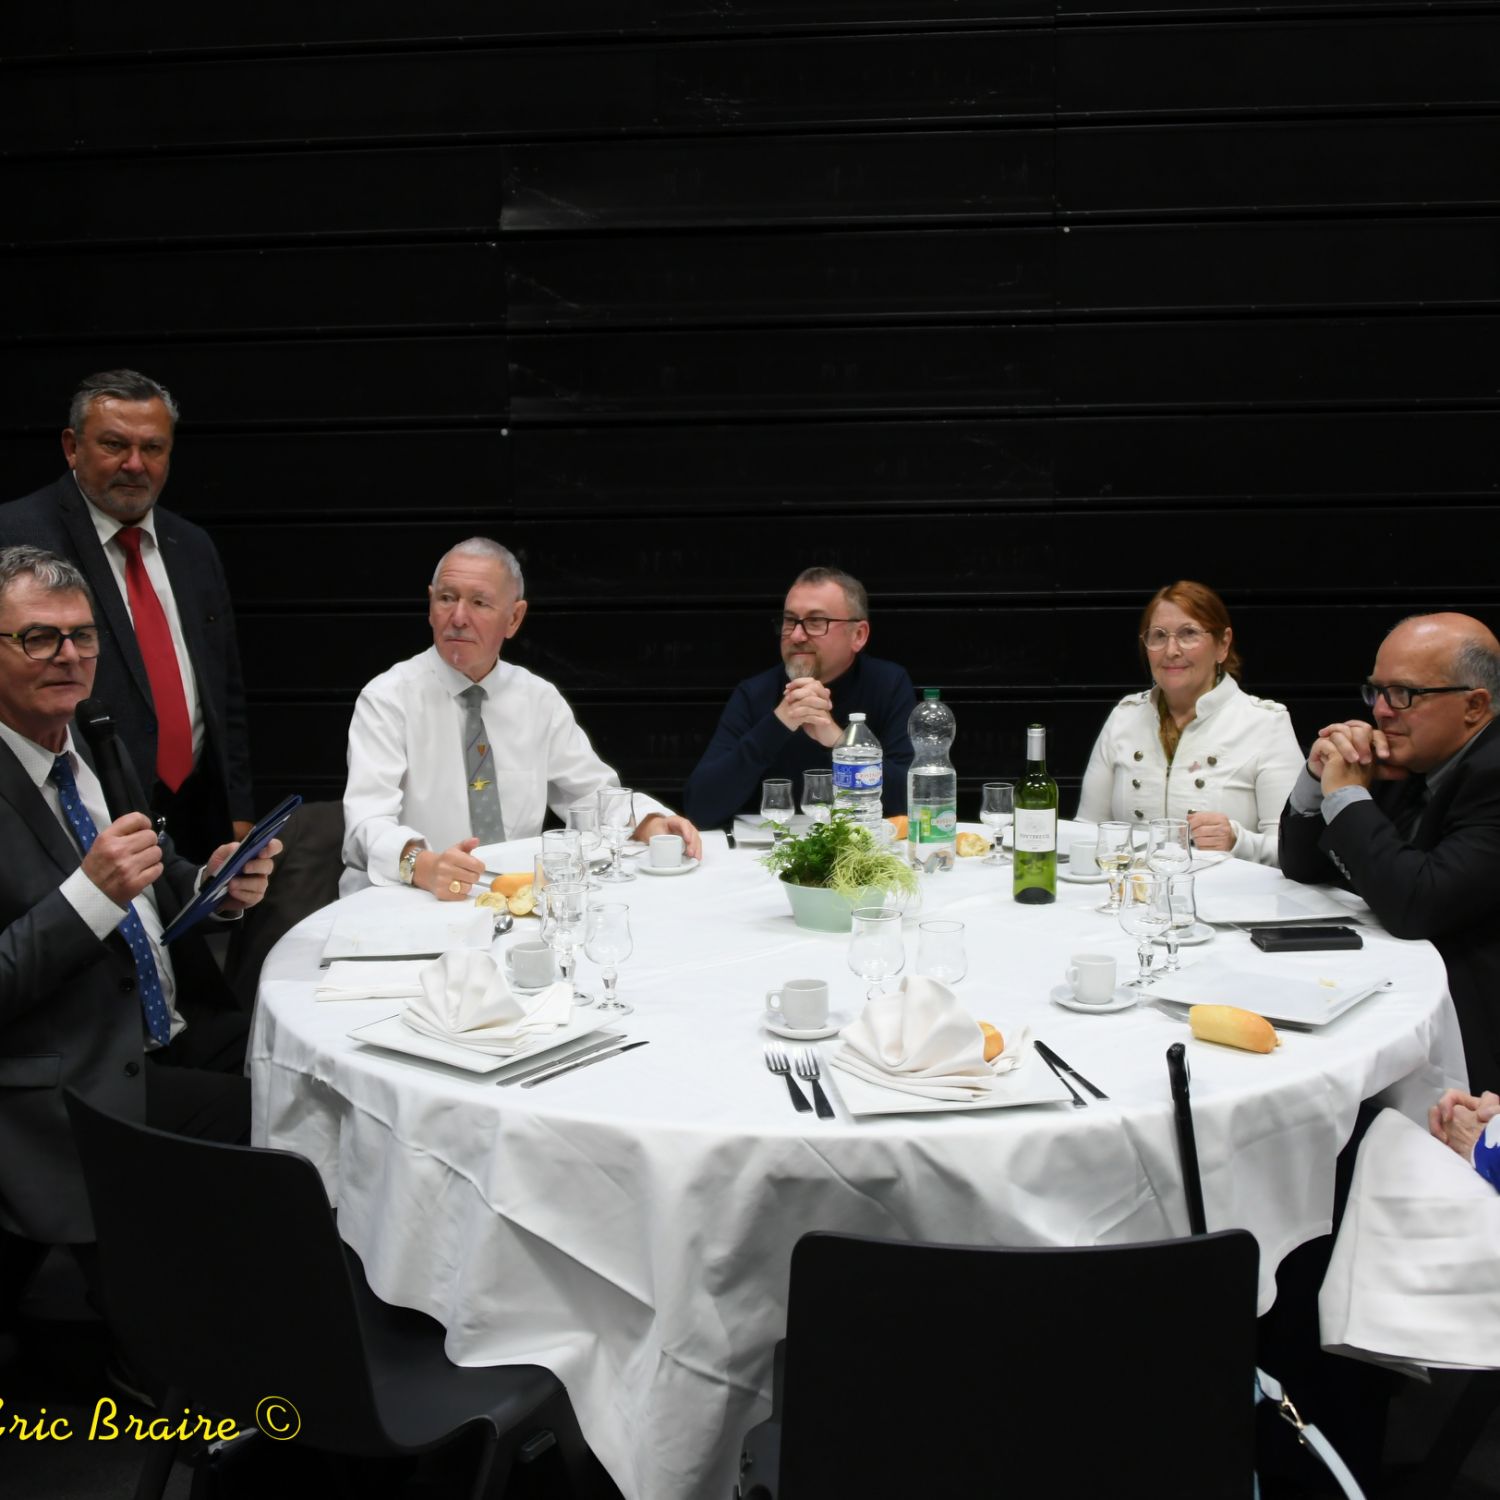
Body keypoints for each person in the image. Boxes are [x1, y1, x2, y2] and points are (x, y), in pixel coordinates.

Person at [0, 547, 277, 1248]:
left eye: (82, 635)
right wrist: (88, 896)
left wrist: (211, 885)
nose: (69, 656)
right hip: (72, 1071)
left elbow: (152, 864)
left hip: (166, 1025)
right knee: (278, 1119)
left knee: (312, 1062)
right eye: (39, 637)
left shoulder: (94, 738)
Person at [342, 538, 701, 897]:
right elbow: (365, 825)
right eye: (447, 598)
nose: (459, 618)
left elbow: (592, 796)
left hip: (514, 896)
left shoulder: (538, 699)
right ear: (430, 605)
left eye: (479, 603)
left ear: (514, 618)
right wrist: (421, 865)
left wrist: (651, 823)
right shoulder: (387, 698)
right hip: (407, 897)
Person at [0, 370, 253, 863]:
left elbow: (225, 689)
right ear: (72, 447)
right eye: (114, 445)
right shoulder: (16, 534)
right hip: (81, 813)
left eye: (153, 448)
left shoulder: (193, 546)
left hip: (198, 812)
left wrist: (238, 810)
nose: (135, 464)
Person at [1280, 612, 1500, 1092]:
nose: (1380, 710)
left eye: (1404, 694)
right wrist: (1318, 777)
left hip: (1471, 1037)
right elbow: (1302, 867)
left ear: (1474, 705)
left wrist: (1346, 795)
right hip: (1384, 988)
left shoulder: (1492, 775)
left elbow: (1417, 904)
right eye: (1376, 691)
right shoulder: (1413, 756)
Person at [1076, 579, 1303, 866]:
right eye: (1158, 636)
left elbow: (1296, 852)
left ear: (1223, 644)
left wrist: (1239, 841)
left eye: (1189, 633)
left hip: (1228, 893)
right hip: (1135, 891)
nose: (1171, 650)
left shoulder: (1265, 724)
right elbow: (1086, 833)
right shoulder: (1125, 717)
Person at [683, 567, 915, 830]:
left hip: (864, 847)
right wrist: (778, 724)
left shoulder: (888, 684)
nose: (796, 635)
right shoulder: (754, 693)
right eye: (790, 621)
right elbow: (699, 809)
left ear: (858, 635)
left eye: (816, 622)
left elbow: (914, 802)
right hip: (768, 848)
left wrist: (841, 744)